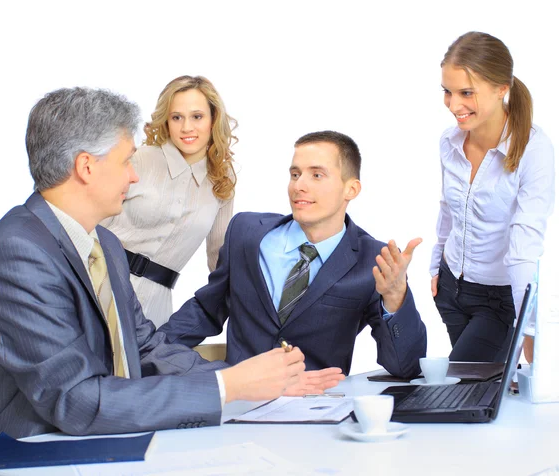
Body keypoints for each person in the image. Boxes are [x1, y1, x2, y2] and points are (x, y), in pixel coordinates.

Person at [0, 88, 343, 448]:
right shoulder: (17, 254)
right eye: (127, 160)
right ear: (86, 167)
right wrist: (230, 385)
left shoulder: (105, 244)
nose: (134, 175)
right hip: (27, 454)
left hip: (103, 442)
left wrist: (260, 380)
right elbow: (76, 401)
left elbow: (146, 346)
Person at [160, 131, 427, 377]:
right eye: (295, 174)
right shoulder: (246, 233)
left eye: (317, 175)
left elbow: (406, 367)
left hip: (318, 408)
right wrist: (144, 354)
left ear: (351, 189)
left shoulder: (373, 260)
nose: (299, 186)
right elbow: (207, 310)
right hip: (240, 402)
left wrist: (395, 298)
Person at [430, 31, 555, 362]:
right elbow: (448, 209)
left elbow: (525, 244)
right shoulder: (450, 142)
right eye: (448, 91)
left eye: (466, 93)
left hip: (499, 300)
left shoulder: (533, 150)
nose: (454, 105)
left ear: (502, 88)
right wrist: (435, 265)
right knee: (478, 395)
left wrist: (528, 327)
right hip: (450, 290)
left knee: (466, 388)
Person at [102, 75, 237, 327]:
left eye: (197, 116)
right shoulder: (139, 160)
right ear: (166, 120)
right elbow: (91, 225)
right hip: (99, 286)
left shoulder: (222, 181)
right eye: (177, 117)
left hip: (156, 309)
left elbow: (218, 259)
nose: (187, 127)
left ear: (213, 119)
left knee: (138, 367)